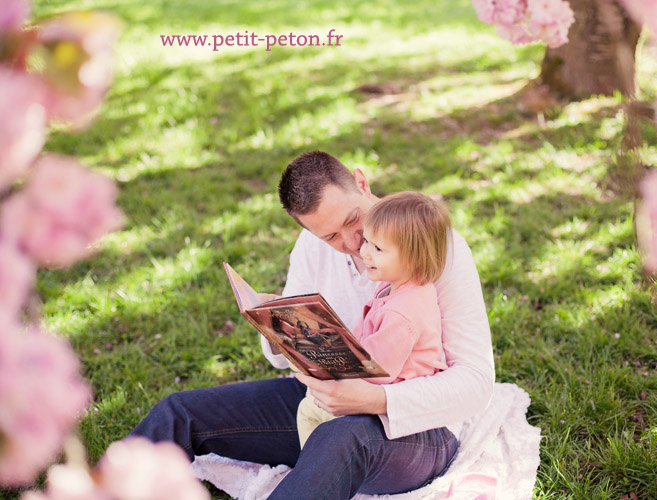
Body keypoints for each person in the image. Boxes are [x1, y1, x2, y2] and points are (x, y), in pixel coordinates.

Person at [130, 151, 495, 499]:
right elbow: (279, 358)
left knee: (340, 438)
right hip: (325, 401)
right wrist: (277, 325)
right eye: (331, 237)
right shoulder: (310, 246)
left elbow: (476, 381)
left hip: (417, 428)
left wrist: (376, 399)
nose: (352, 242)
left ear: (361, 182)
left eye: (353, 220)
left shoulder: (434, 246)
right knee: (179, 411)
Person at [297, 191, 451, 447]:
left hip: (393, 411)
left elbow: (376, 372)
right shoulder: (394, 288)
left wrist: (332, 370)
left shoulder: (401, 314)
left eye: (378, 248)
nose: (364, 252)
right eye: (367, 241)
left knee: (309, 411)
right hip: (381, 390)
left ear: (413, 257)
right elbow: (362, 339)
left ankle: (312, 462)